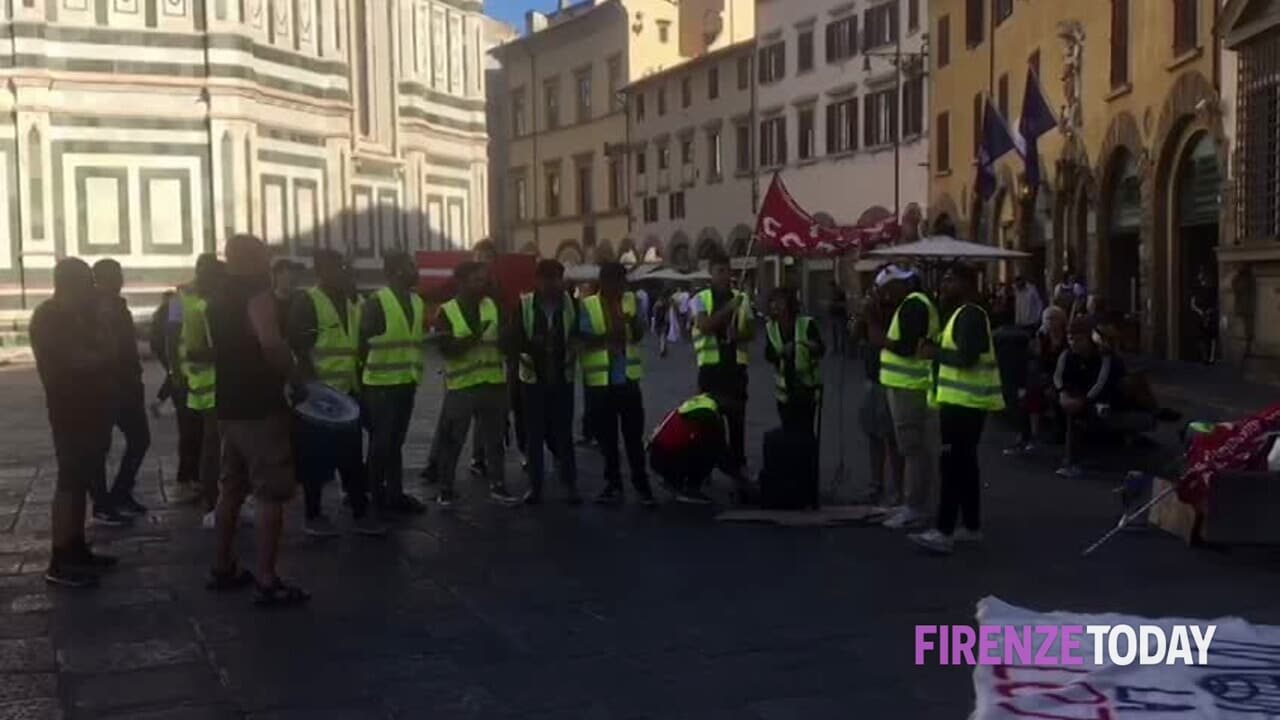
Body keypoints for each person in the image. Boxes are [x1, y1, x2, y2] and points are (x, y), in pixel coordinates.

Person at [206, 234, 307, 607]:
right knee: (270, 491)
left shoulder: (217, 297)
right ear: (254, 259)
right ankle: (267, 578)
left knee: (230, 487)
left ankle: (222, 566)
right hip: (260, 405)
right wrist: (294, 377)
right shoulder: (257, 294)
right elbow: (270, 342)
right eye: (264, 256)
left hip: (228, 404)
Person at [32, 258, 120, 588]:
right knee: (70, 480)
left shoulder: (78, 315)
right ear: (72, 285)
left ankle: (76, 545)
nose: (93, 291)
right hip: (69, 408)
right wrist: (103, 348)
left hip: (91, 407)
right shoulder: (49, 317)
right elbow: (80, 358)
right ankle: (60, 557)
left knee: (81, 479)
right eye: (88, 284)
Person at [288, 250, 384, 537]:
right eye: (336, 268)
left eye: (344, 266)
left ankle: (359, 509)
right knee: (315, 459)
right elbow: (298, 347)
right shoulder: (307, 301)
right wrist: (310, 388)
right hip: (319, 396)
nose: (343, 272)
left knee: (352, 456)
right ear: (321, 271)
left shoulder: (354, 301)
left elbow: (365, 338)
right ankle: (314, 514)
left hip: (349, 392)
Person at [909, 264, 1004, 555]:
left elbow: (965, 357)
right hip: (960, 402)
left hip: (965, 404)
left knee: (952, 465)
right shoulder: (960, 315)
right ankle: (971, 526)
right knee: (965, 465)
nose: (943, 285)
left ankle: (944, 530)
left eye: (949, 280)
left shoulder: (970, 315)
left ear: (965, 283)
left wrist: (932, 353)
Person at [431, 261, 517, 507]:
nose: (484, 284)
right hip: (462, 386)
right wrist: (474, 336)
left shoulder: (494, 306)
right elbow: (447, 350)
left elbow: (506, 341)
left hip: (492, 382)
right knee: (452, 440)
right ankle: (446, 489)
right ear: (463, 281)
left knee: (495, 439)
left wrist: (509, 336)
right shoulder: (447, 311)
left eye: (485, 279)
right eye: (478, 280)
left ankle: (498, 485)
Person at [578, 262, 654, 505]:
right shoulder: (587, 305)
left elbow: (640, 333)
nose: (620, 288)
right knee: (607, 438)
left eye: (623, 283)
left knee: (633, 437)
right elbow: (582, 338)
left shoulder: (632, 301)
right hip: (601, 381)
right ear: (604, 282)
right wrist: (608, 337)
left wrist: (632, 325)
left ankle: (641, 484)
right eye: (616, 283)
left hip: (628, 379)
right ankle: (613, 483)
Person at [360, 251, 428, 515]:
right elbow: (362, 343)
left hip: (406, 382)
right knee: (381, 442)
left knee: (395, 442)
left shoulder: (417, 301)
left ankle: (395, 494)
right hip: (381, 385)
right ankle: (376, 496)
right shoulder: (377, 301)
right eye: (412, 265)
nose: (417, 270)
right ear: (398, 270)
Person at [509, 259, 580, 505]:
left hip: (562, 379)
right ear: (537, 281)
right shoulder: (525, 305)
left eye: (556, 279)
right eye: (546, 280)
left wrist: (572, 346)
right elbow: (514, 338)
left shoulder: (572, 303)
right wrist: (533, 346)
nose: (552, 285)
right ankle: (535, 487)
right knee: (534, 436)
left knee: (564, 434)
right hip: (533, 381)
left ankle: (570, 485)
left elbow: (578, 334)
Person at [876, 264, 940, 530]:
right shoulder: (912, 304)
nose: (885, 295)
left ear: (899, 285)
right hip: (906, 385)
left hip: (910, 386)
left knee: (914, 448)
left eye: (886, 289)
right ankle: (911, 503)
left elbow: (906, 347)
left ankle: (915, 506)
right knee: (911, 448)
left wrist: (879, 338)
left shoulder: (914, 305)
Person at [690, 251, 754, 499]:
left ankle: (738, 471)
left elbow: (750, 332)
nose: (725, 276)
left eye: (728, 271)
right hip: (710, 371)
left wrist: (741, 334)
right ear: (711, 272)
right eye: (720, 271)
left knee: (737, 425)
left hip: (735, 370)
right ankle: (705, 470)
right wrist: (729, 309)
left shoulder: (742, 299)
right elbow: (705, 326)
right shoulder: (700, 299)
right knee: (709, 424)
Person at [91, 259, 151, 521]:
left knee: (139, 439)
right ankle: (103, 503)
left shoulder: (116, 304)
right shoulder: (100, 307)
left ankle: (119, 493)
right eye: (116, 275)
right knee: (102, 445)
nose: (121, 279)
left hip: (126, 383)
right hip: (111, 385)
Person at [170, 254, 225, 525]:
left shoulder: (199, 302)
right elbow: (179, 343)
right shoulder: (190, 303)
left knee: (212, 443)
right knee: (212, 444)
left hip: (201, 382)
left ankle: (215, 500)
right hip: (209, 382)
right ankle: (213, 503)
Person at [854, 282, 903, 507]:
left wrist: (871, 317)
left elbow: (879, 339)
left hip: (890, 380)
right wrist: (859, 319)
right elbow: (856, 337)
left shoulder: (895, 311)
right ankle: (876, 483)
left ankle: (899, 488)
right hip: (872, 378)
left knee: (891, 437)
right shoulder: (870, 313)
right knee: (874, 433)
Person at [1054, 318, 1118, 478]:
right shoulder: (1067, 355)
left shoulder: (1104, 356)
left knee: (1090, 413)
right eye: (1070, 339)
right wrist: (1063, 394)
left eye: (1079, 339)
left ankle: (1078, 458)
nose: (1074, 343)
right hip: (1075, 394)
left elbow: (1102, 383)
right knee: (1061, 404)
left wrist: (1082, 401)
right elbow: (1058, 377)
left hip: (1105, 398)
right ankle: (1070, 457)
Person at [1006, 306, 1069, 455]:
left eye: (1053, 319)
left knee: (1040, 391)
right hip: (1045, 378)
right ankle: (1028, 435)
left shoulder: (1067, 339)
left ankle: (1044, 434)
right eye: (1047, 319)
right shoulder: (1041, 339)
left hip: (1063, 379)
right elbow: (1037, 362)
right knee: (1030, 393)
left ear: (1061, 321)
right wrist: (1039, 343)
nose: (1050, 322)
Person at [647, 393, 730, 505]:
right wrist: (743, 481)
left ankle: (673, 480)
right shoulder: (709, 415)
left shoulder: (700, 402)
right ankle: (689, 489)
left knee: (703, 443)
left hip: (657, 453)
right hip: (666, 459)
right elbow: (722, 455)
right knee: (712, 451)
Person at [764, 287, 824, 434]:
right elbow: (768, 355)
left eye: (779, 301)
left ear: (790, 304)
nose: (775, 305)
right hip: (785, 392)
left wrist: (809, 345)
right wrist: (781, 352)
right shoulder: (771, 327)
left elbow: (821, 349)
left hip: (806, 389)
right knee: (788, 432)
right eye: (773, 301)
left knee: (806, 432)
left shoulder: (806, 323)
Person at [1191, 267, 1218, 365]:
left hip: (1210, 315)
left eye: (1203, 275)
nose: (1201, 277)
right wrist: (1200, 312)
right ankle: (1205, 357)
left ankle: (1212, 358)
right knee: (1201, 337)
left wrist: (1210, 311)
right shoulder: (1197, 289)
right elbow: (1192, 303)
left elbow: (1217, 303)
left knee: (1212, 336)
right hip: (1200, 316)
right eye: (1200, 275)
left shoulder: (1212, 289)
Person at [828, 281, 848, 357]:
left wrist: (834, 304)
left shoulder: (841, 293)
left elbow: (844, 304)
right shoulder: (831, 294)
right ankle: (835, 349)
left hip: (840, 316)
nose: (831, 289)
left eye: (831, 287)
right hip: (832, 315)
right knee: (834, 334)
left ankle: (842, 349)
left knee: (841, 333)